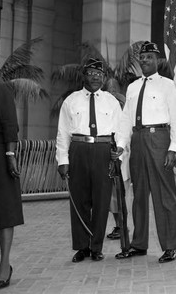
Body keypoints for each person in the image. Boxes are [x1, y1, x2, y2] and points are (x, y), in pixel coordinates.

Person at [114, 41, 176, 264]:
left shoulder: (168, 85)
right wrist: (121, 144)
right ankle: (139, 244)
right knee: (139, 196)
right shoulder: (133, 87)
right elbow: (126, 118)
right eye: (142, 58)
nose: (144, 61)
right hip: (138, 139)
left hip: (159, 138)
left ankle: (171, 246)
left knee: (164, 195)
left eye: (149, 57)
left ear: (157, 60)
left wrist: (173, 147)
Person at [56, 58, 122, 262]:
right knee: (79, 200)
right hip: (78, 150)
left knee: (102, 201)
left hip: (103, 151)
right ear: (84, 76)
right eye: (91, 73)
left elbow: (120, 129)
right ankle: (82, 247)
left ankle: (96, 247)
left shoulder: (111, 101)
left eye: (99, 74)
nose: (95, 77)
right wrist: (62, 160)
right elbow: (63, 133)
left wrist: (119, 149)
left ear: (104, 78)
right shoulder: (71, 100)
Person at [0, 80, 23, 290]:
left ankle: (4, 265)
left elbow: (10, 124)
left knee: (4, 210)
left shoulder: (0, 88)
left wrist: (10, 154)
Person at [102, 78, 132, 240]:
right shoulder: (102, 107)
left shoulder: (124, 110)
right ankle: (119, 225)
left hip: (120, 157)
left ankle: (122, 226)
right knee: (112, 198)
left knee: (119, 195)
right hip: (106, 156)